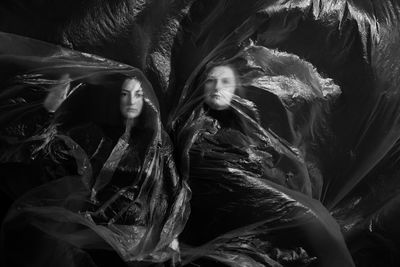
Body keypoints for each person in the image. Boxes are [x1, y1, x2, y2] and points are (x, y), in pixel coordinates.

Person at [173, 63, 354, 266]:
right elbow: (210, 171)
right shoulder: (192, 129)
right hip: (224, 198)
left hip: (245, 203)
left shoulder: (243, 125)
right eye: (211, 81)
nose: (217, 88)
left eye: (225, 82)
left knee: (318, 220)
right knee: (313, 220)